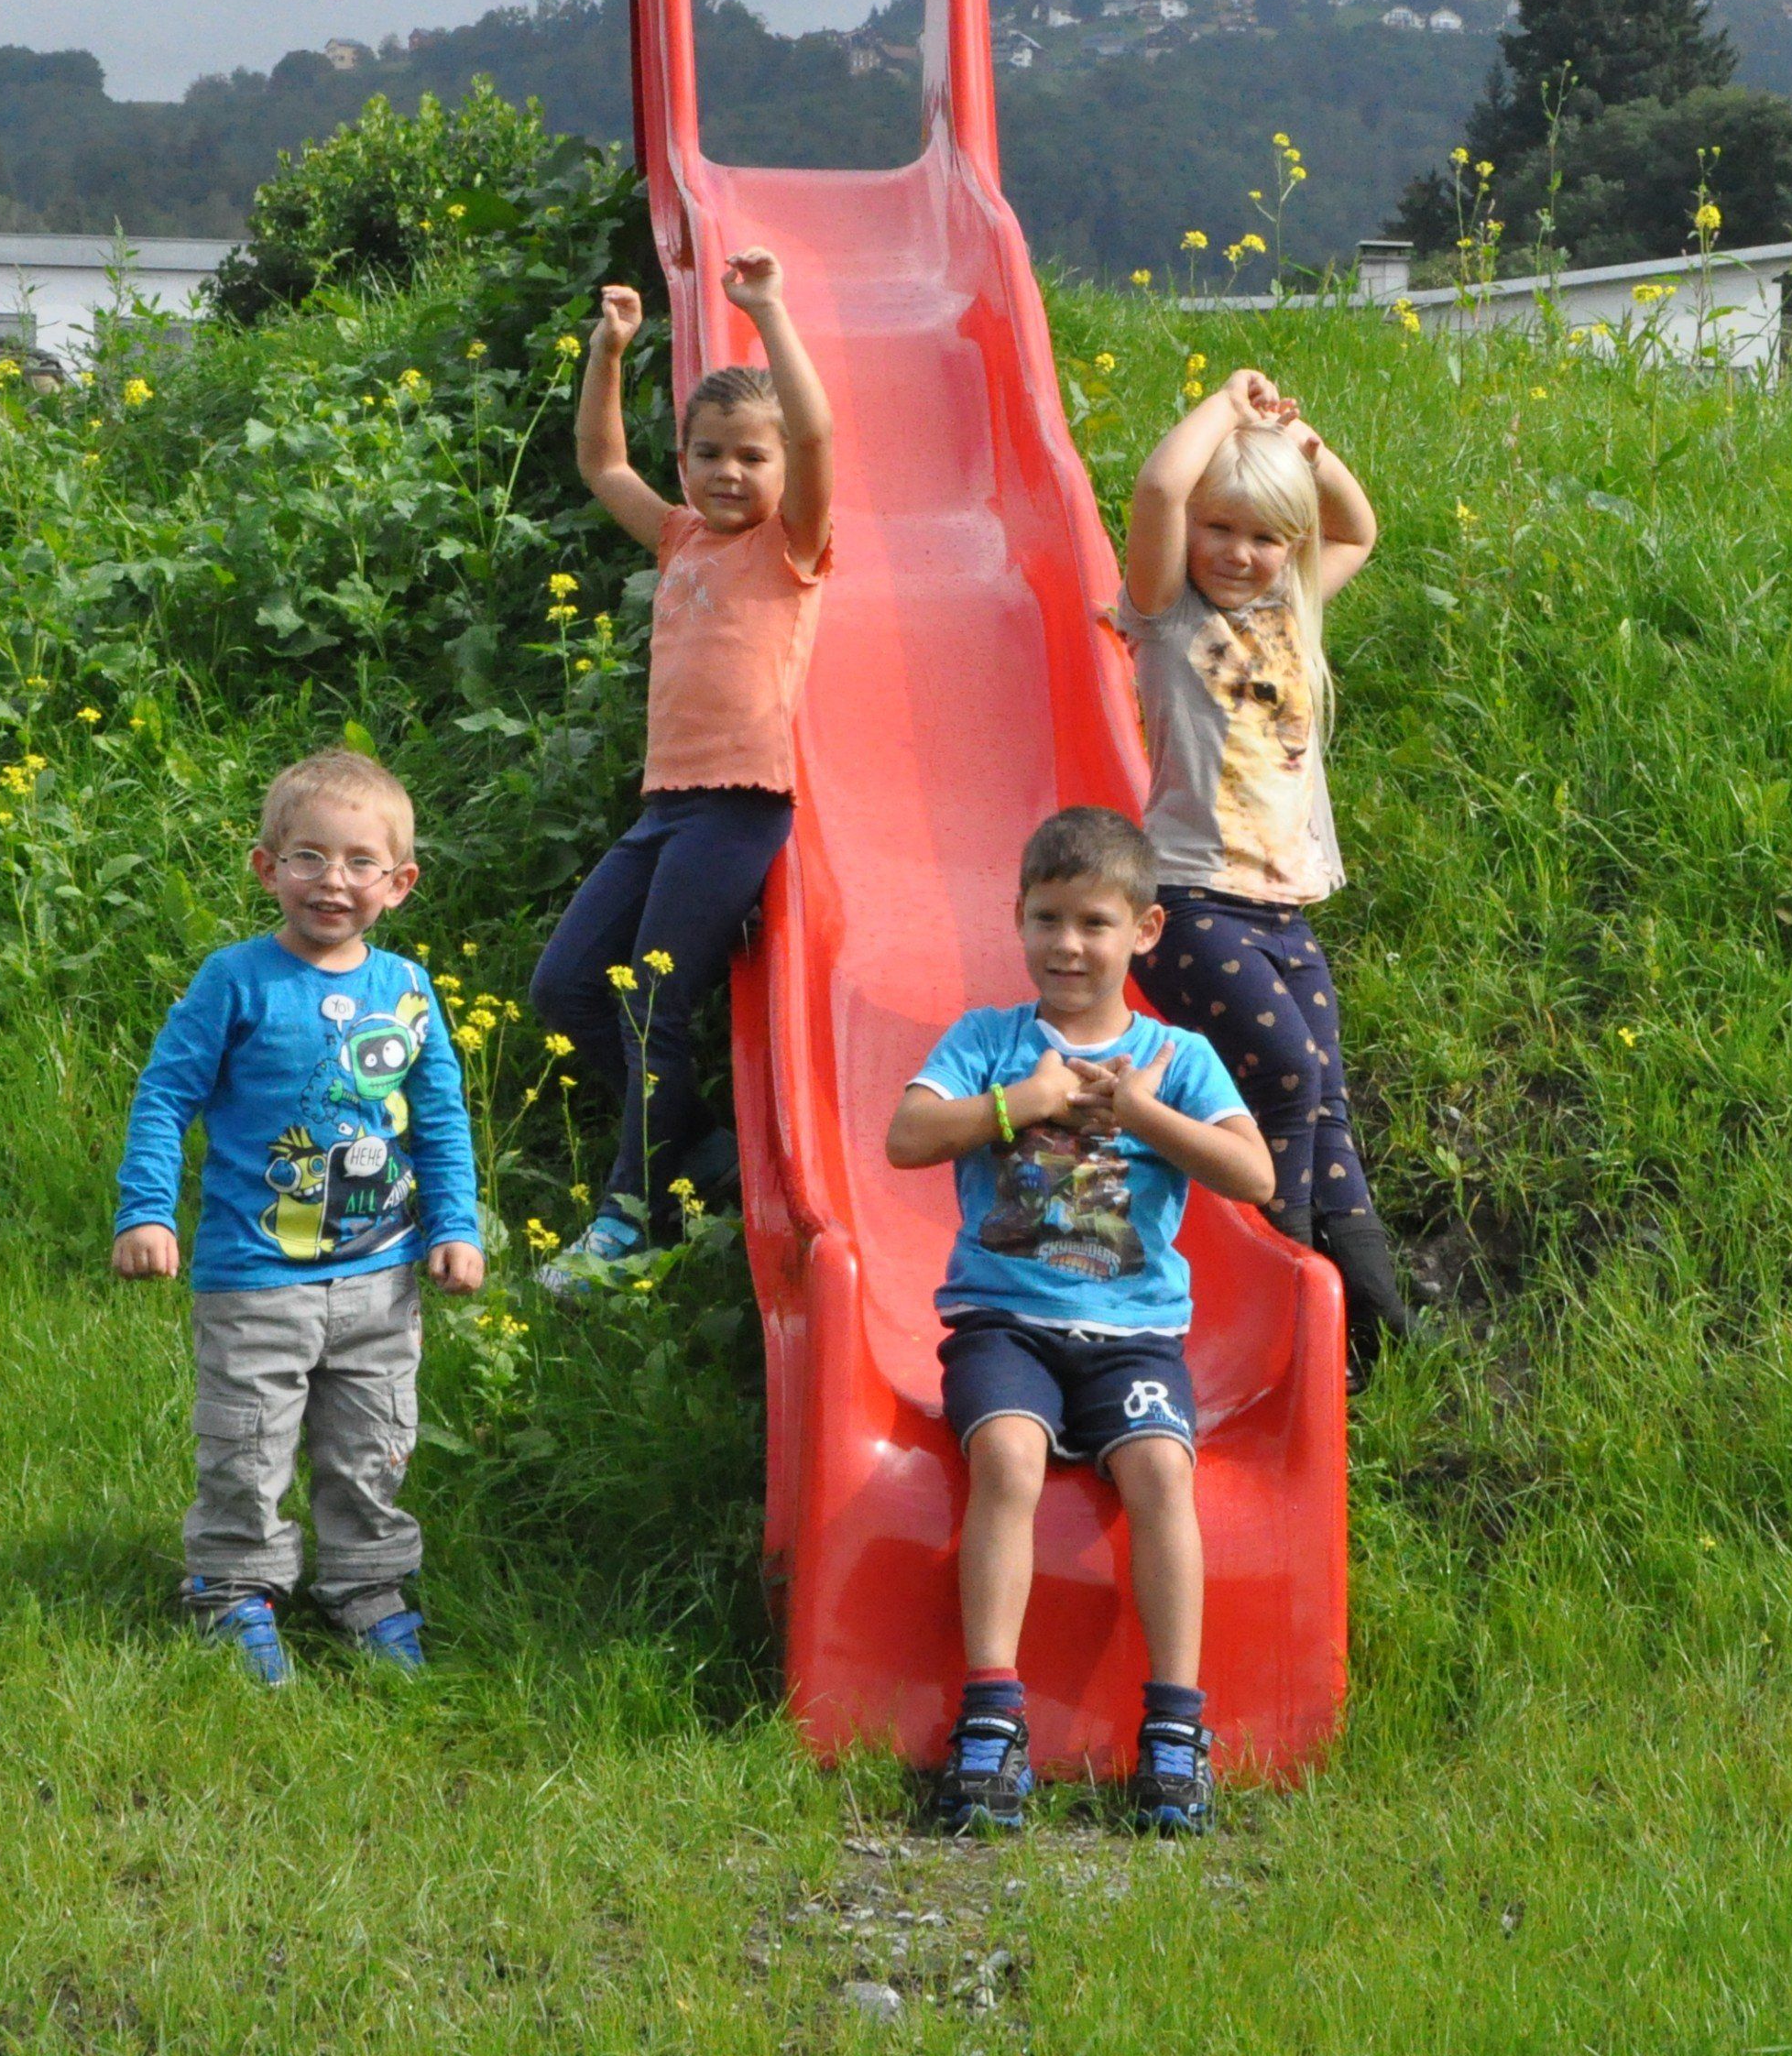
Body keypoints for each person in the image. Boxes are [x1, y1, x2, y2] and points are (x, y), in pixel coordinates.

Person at [885, 806, 1272, 1834]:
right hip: (1004, 1323)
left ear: (1144, 930)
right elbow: (907, 1135)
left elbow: (1255, 1174)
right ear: (1017, 918)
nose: (1067, 944)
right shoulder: (989, 1041)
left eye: (1094, 922)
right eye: (1046, 918)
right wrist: (1023, 1102)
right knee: (1007, 1456)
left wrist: (1140, 1114)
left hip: (1133, 1335)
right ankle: (991, 1717)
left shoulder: (1176, 1055)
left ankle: (1176, 1730)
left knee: (1161, 1471)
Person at [112, 750, 485, 1683]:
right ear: (266, 866)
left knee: (373, 1444)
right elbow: (164, 1096)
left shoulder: (406, 988)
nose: (332, 880)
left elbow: (440, 1118)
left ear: (399, 883)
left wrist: (455, 1226)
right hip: (253, 1276)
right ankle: (232, 1587)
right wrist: (147, 1211)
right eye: (308, 856)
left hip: (381, 1278)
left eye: (361, 862)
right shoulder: (234, 980)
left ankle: (365, 1586)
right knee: (246, 1444)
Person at [530, 248, 834, 1296]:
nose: (726, 472)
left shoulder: (790, 547)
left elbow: (817, 433)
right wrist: (609, 349)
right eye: (708, 452)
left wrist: (767, 309)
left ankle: (632, 1213)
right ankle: (698, 1146)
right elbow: (600, 463)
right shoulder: (677, 538)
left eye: (751, 455)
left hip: (741, 807)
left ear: (781, 469)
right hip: (664, 808)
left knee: (652, 1004)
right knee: (566, 986)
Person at [1115, 367, 1407, 1389]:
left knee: (1325, 1101)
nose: (1239, 553)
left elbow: (1359, 529)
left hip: (1283, 911)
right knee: (1286, 1075)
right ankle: (1276, 1320)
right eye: (1220, 528)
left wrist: (1303, 446)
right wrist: (1228, 411)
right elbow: (1159, 489)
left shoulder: (1288, 612)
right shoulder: (1165, 614)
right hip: (1188, 902)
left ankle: (1373, 1327)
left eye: (1265, 537)